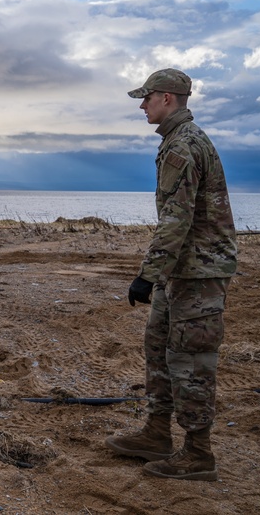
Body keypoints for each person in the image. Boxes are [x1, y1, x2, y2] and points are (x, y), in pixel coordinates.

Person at [105, 68, 238, 481]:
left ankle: (198, 454)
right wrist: (160, 275)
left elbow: (176, 220)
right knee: (159, 345)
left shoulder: (183, 146)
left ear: (167, 98)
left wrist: (147, 274)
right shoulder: (176, 142)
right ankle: (156, 434)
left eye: (146, 98)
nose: (142, 106)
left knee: (191, 359)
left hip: (198, 273)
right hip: (180, 271)